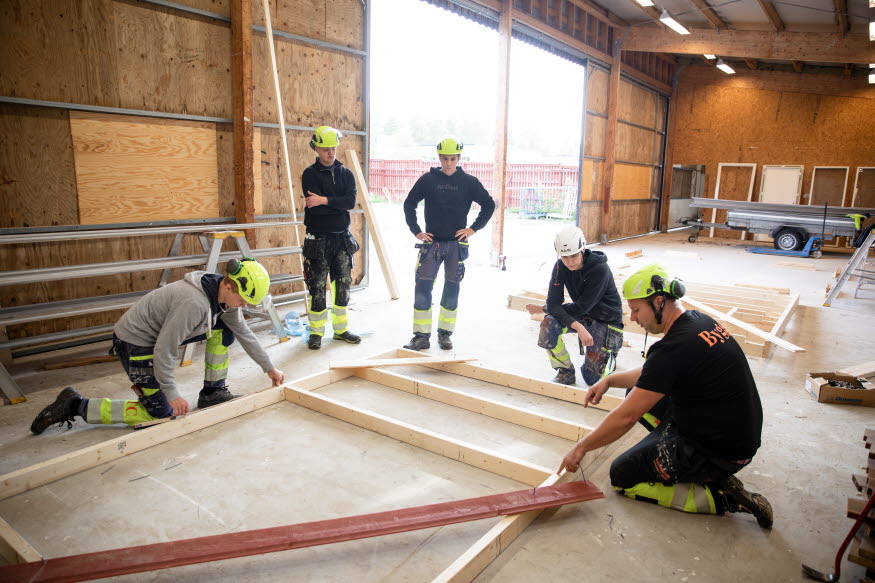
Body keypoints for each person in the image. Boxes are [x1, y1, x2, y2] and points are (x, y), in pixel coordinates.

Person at [557, 264, 772, 527]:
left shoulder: (673, 349)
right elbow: (653, 373)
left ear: (659, 302)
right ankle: (673, 452)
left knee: (623, 476)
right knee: (632, 391)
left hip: (719, 451)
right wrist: (609, 380)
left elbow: (626, 417)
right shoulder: (697, 321)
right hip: (735, 433)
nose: (633, 318)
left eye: (636, 310)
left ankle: (721, 496)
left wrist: (581, 448)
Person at [30, 258, 286, 434]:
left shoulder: (223, 299)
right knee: (161, 414)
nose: (243, 306)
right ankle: (75, 404)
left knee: (228, 329)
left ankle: (213, 392)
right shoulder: (194, 304)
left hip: (154, 339)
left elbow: (245, 333)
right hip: (135, 345)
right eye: (242, 300)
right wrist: (172, 395)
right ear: (229, 285)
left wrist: (269, 369)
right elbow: (165, 349)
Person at [402, 136, 495, 351]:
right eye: (444, 159)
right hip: (431, 244)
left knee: (451, 291)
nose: (448, 163)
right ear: (439, 157)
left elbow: (489, 205)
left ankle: (445, 334)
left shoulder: (469, 182)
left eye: (453, 159)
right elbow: (409, 203)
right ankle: (421, 336)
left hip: (456, 246)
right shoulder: (428, 180)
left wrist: (473, 229)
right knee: (423, 289)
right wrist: (416, 231)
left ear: (459, 158)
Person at [526, 225, 623, 386]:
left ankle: (611, 353)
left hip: (606, 321)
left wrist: (549, 308)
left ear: (583, 250)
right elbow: (553, 303)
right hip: (583, 316)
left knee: (592, 380)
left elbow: (580, 307)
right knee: (549, 324)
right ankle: (565, 371)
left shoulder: (600, 269)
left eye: (574, 256)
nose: (569, 262)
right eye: (565, 257)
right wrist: (578, 326)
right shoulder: (560, 266)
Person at [301, 125, 362, 350]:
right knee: (317, 286)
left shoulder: (346, 174)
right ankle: (316, 333)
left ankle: (341, 330)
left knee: (342, 285)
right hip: (317, 239)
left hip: (342, 240)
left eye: (333, 148)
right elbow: (314, 209)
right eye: (326, 148)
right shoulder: (310, 174)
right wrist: (337, 203)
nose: (330, 152)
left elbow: (350, 203)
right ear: (316, 148)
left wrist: (325, 200)